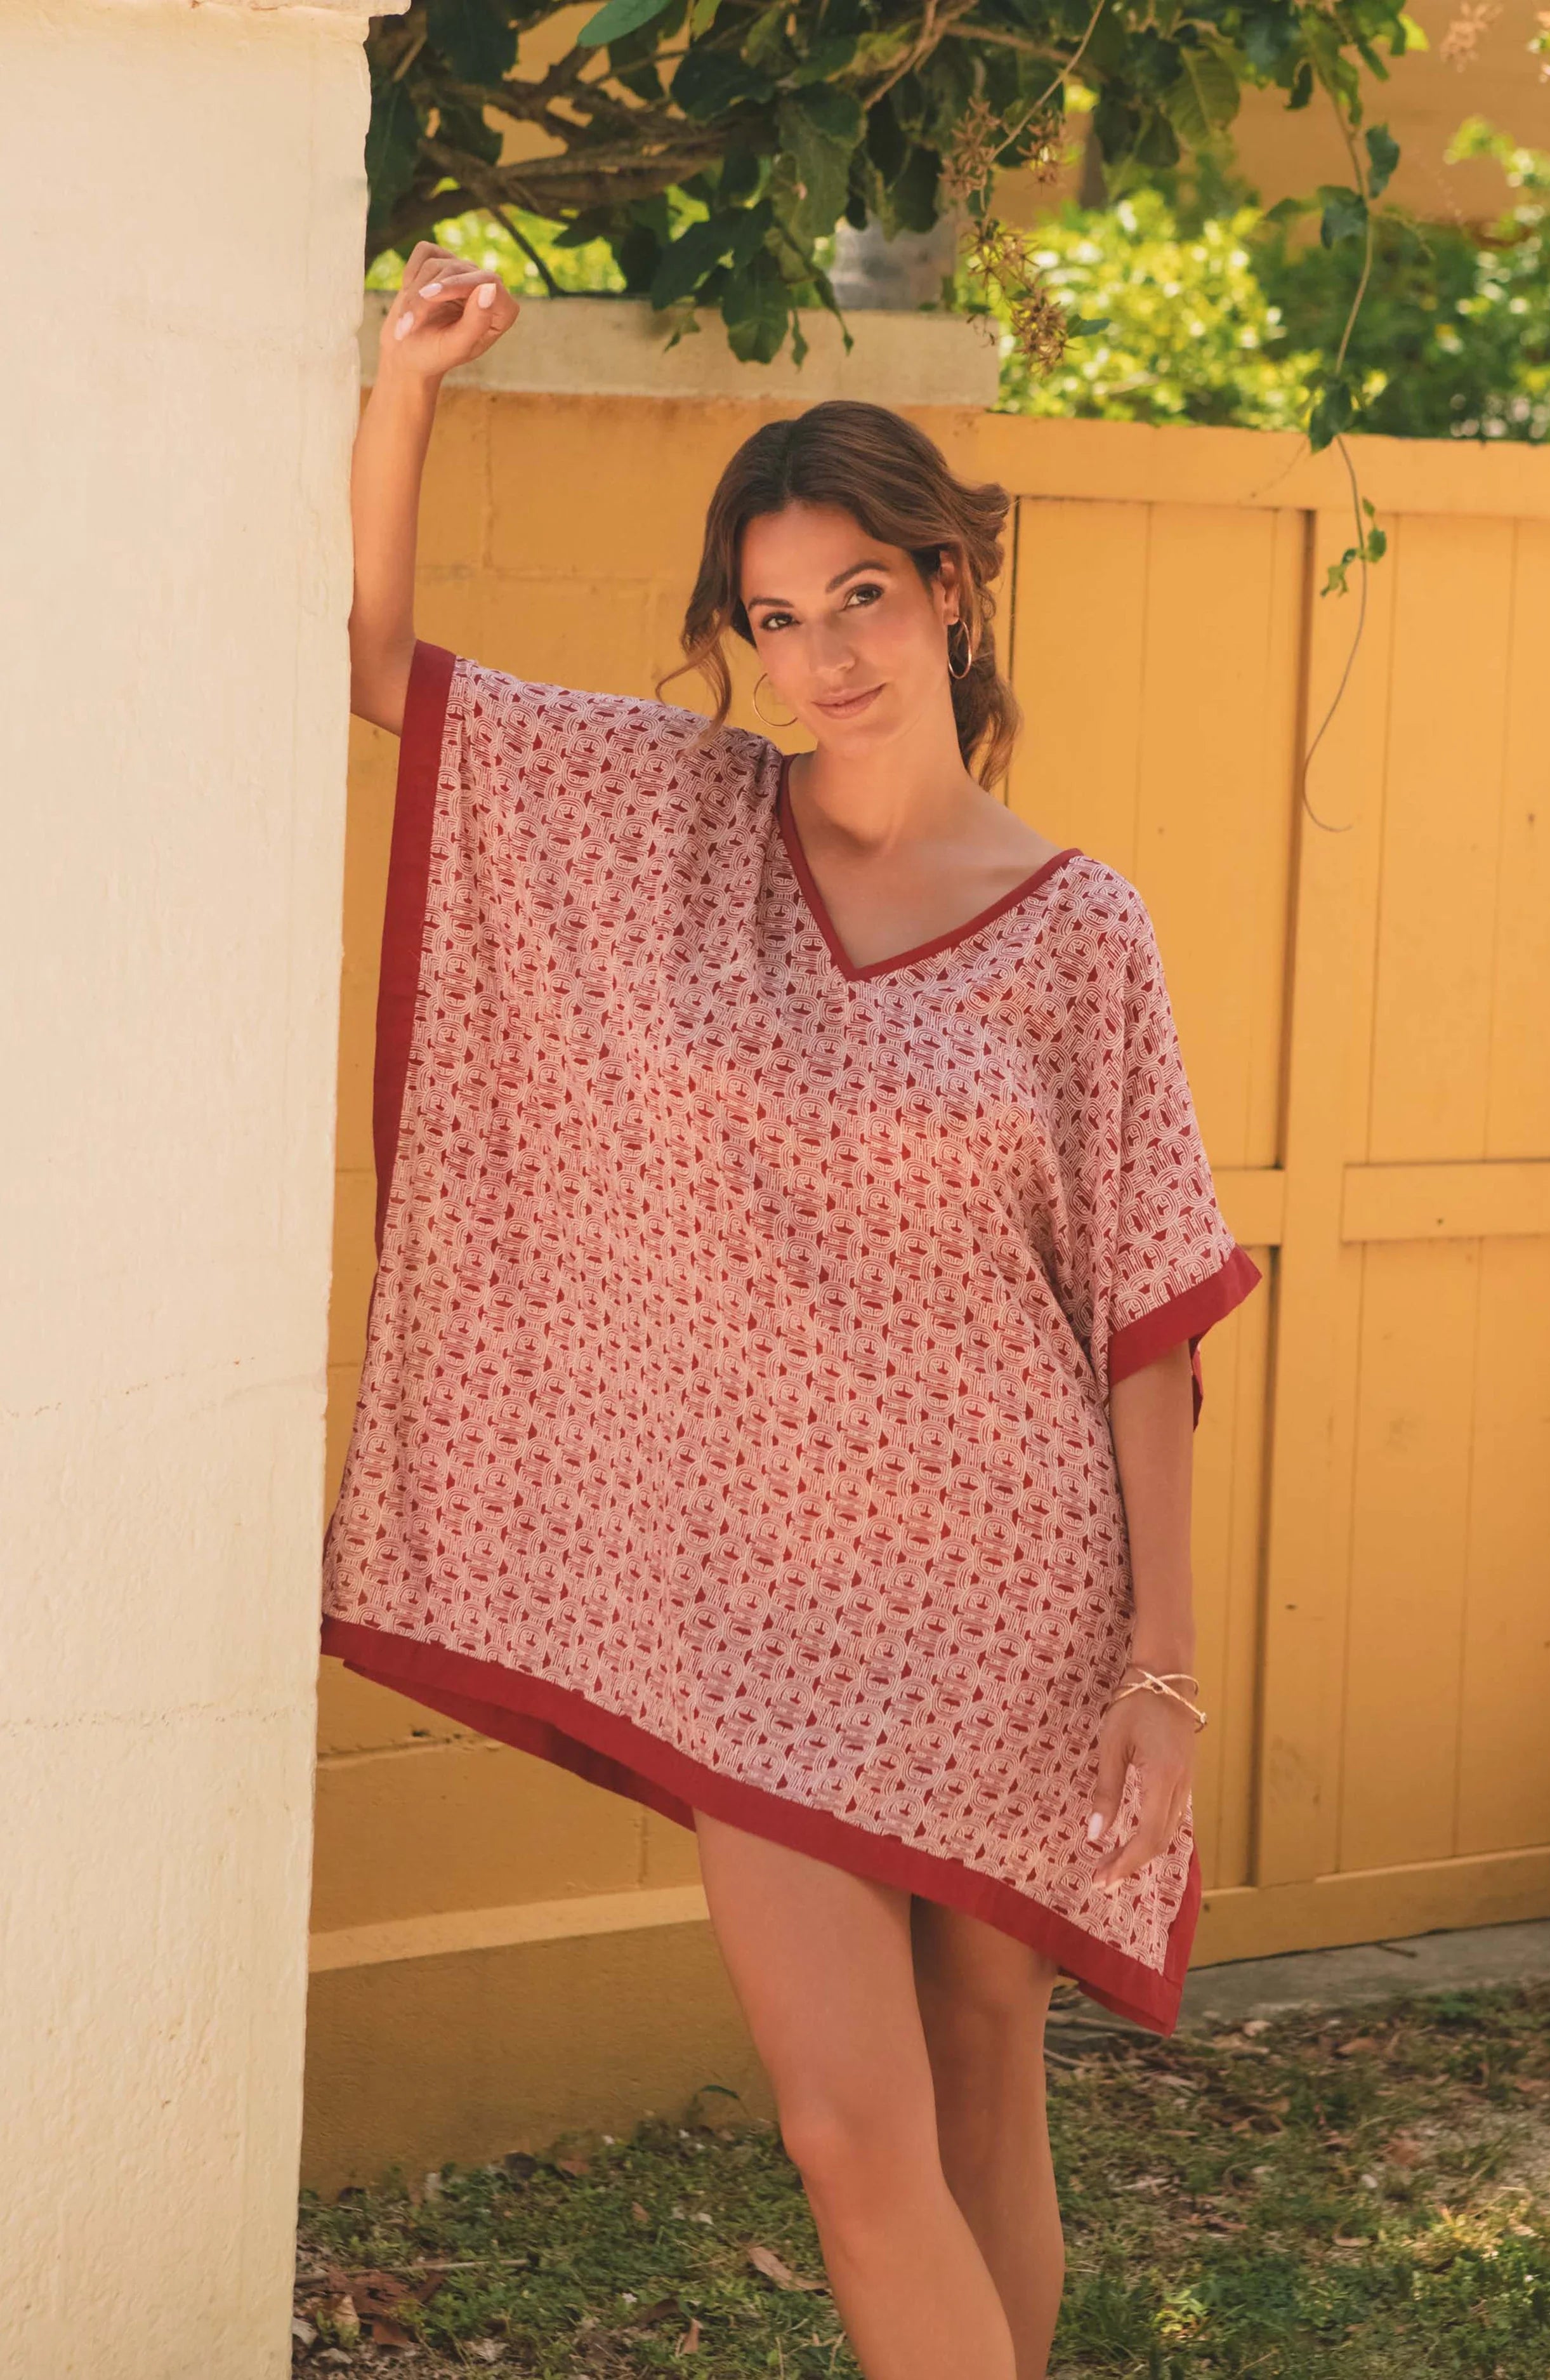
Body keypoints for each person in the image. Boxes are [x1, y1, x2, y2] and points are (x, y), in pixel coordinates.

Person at [322, 242, 1263, 2380]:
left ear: (947, 588)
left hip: (1012, 1599)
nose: (821, 653)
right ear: (733, 640)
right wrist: (407, 392)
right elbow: (377, 670)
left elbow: (1146, 1323)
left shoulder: (1074, 932)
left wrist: (1163, 1676)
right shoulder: (674, 822)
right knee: (848, 2131)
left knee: (978, 2095)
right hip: (752, 1608)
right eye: (773, 614)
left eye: (859, 594)